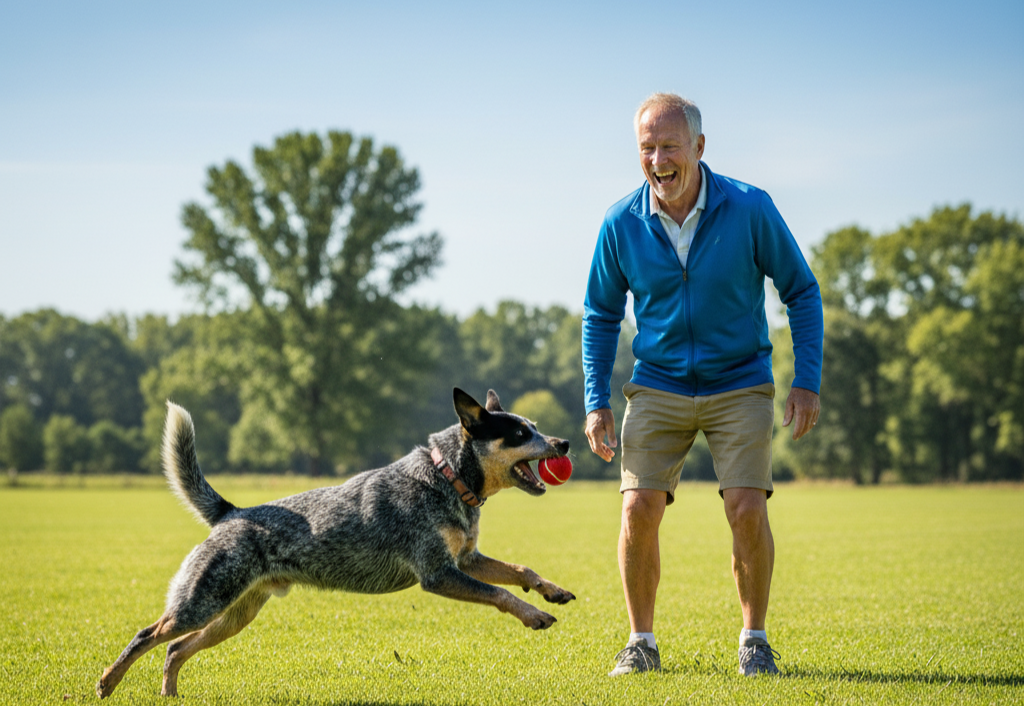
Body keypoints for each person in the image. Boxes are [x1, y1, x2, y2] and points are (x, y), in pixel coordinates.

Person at [582, 93, 823, 677]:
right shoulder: (621, 222)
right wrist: (596, 401)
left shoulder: (749, 208)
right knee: (638, 506)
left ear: (699, 147)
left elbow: (802, 291)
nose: (658, 160)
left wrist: (806, 380)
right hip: (658, 383)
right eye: (647, 148)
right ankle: (640, 643)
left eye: (669, 146)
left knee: (746, 507)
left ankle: (754, 640)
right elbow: (600, 314)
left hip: (739, 381)